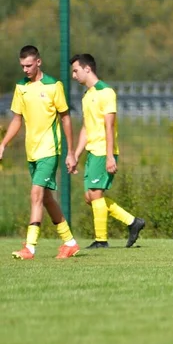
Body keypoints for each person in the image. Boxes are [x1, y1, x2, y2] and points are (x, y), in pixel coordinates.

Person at [0, 45, 80, 259]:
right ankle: (70, 242)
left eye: (29, 65)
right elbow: (17, 119)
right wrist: (3, 143)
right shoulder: (21, 87)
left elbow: (66, 118)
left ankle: (30, 247)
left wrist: (70, 152)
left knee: (35, 194)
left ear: (38, 62)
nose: (25, 69)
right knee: (45, 198)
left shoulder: (54, 86)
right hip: (31, 152)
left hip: (50, 150)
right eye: (22, 66)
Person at [68, 54, 146, 248]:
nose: (73, 75)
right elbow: (86, 128)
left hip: (103, 151)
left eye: (75, 71)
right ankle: (132, 222)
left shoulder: (106, 92)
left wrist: (110, 156)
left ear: (88, 69)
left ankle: (101, 240)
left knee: (95, 194)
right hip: (93, 151)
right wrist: (76, 154)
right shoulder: (87, 96)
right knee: (90, 197)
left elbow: (109, 126)